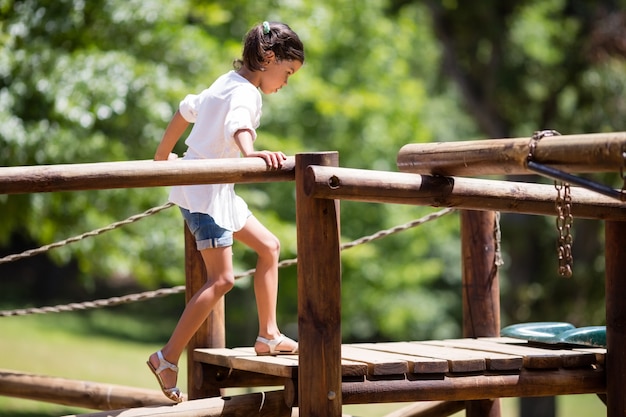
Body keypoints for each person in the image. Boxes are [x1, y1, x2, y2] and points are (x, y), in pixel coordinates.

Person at [148, 21, 304, 403]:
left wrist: (163, 156)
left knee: (269, 246)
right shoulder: (247, 94)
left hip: (215, 189)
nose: (285, 82)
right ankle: (166, 358)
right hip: (205, 194)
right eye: (287, 73)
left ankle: (268, 334)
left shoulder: (226, 81)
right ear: (269, 59)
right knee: (222, 280)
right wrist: (251, 155)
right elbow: (239, 125)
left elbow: (186, 109)